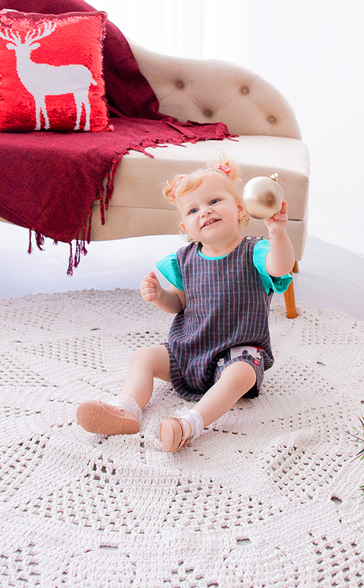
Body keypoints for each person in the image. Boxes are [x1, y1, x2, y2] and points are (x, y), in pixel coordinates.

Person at [76, 160, 294, 452]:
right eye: (193, 210)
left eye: (215, 201)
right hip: (189, 349)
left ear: (240, 208)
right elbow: (179, 302)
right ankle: (126, 409)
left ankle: (188, 424)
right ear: (185, 227)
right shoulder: (185, 259)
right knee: (144, 356)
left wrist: (278, 233)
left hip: (235, 351)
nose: (205, 211)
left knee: (242, 373)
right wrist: (159, 297)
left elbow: (279, 268)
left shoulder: (255, 251)